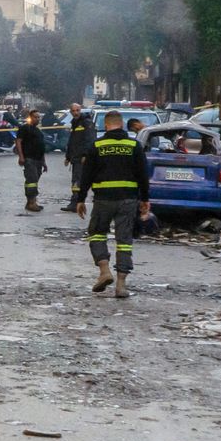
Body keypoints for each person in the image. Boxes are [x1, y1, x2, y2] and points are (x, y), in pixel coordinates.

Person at [71, 110, 152, 298]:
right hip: (128, 199)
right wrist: (145, 199)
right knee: (124, 241)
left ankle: (104, 271)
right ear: (122, 125)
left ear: (106, 126)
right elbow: (143, 175)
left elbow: (86, 174)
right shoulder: (134, 145)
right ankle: (121, 285)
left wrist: (80, 199)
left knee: (97, 234)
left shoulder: (97, 145)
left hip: (103, 199)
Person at [60, 102, 93, 212]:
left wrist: (85, 155)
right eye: (73, 111)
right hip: (75, 157)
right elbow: (72, 142)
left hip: (81, 158)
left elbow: (89, 140)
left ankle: (75, 203)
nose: (75, 113)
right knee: (76, 180)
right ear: (70, 112)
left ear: (81, 110)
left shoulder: (86, 122)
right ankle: (76, 202)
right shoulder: (75, 123)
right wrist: (68, 157)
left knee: (77, 181)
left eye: (77, 110)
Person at [15, 108, 48, 212]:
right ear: (30, 117)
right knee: (32, 181)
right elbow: (18, 142)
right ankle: (31, 203)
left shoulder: (38, 131)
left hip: (38, 160)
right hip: (29, 159)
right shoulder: (25, 128)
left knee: (34, 181)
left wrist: (44, 162)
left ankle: (31, 202)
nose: (37, 119)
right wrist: (21, 157)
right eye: (35, 117)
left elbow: (41, 147)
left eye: (39, 117)